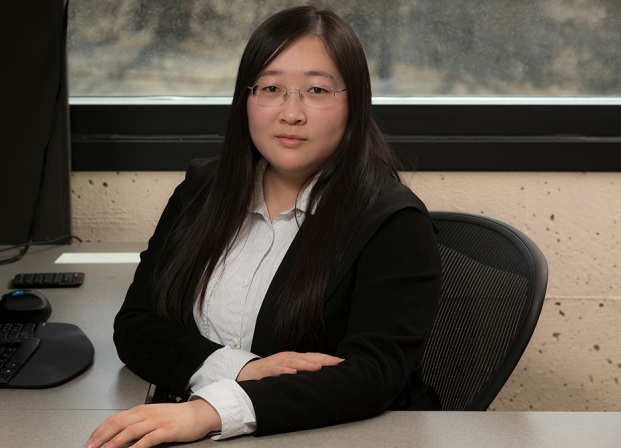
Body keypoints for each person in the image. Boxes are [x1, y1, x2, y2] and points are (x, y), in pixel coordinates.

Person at [87, 5, 442, 448]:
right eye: (271, 88)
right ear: (246, 98)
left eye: (316, 90)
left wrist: (212, 410)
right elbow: (137, 325)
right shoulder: (202, 190)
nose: (291, 113)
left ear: (355, 104)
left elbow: (372, 376)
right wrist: (241, 369)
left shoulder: (392, 221)